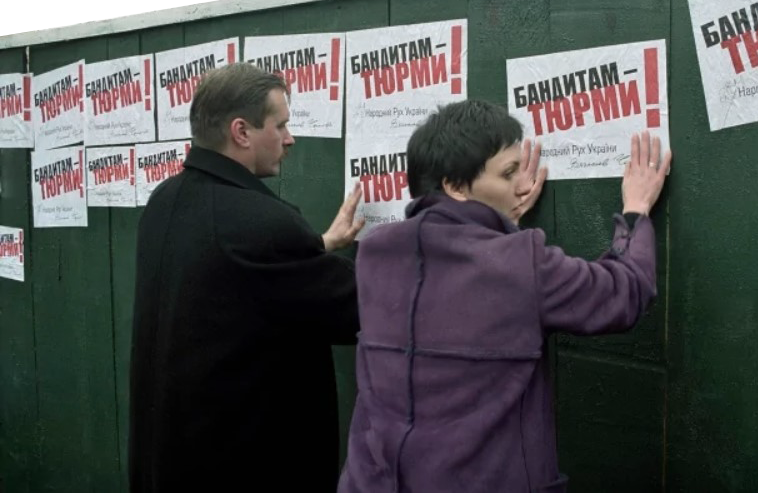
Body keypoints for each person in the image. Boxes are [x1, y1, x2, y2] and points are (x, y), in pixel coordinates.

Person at [339, 99, 671, 493]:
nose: (525, 185)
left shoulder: (374, 252)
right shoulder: (522, 263)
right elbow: (624, 292)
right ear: (455, 186)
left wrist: (498, 226)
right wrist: (635, 211)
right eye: (509, 173)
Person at [129, 63, 364, 493]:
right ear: (241, 131)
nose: (290, 139)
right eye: (281, 125)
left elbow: (229, 274)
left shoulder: (164, 201)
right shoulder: (261, 223)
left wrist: (319, 244)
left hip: (170, 463)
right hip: (246, 468)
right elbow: (360, 309)